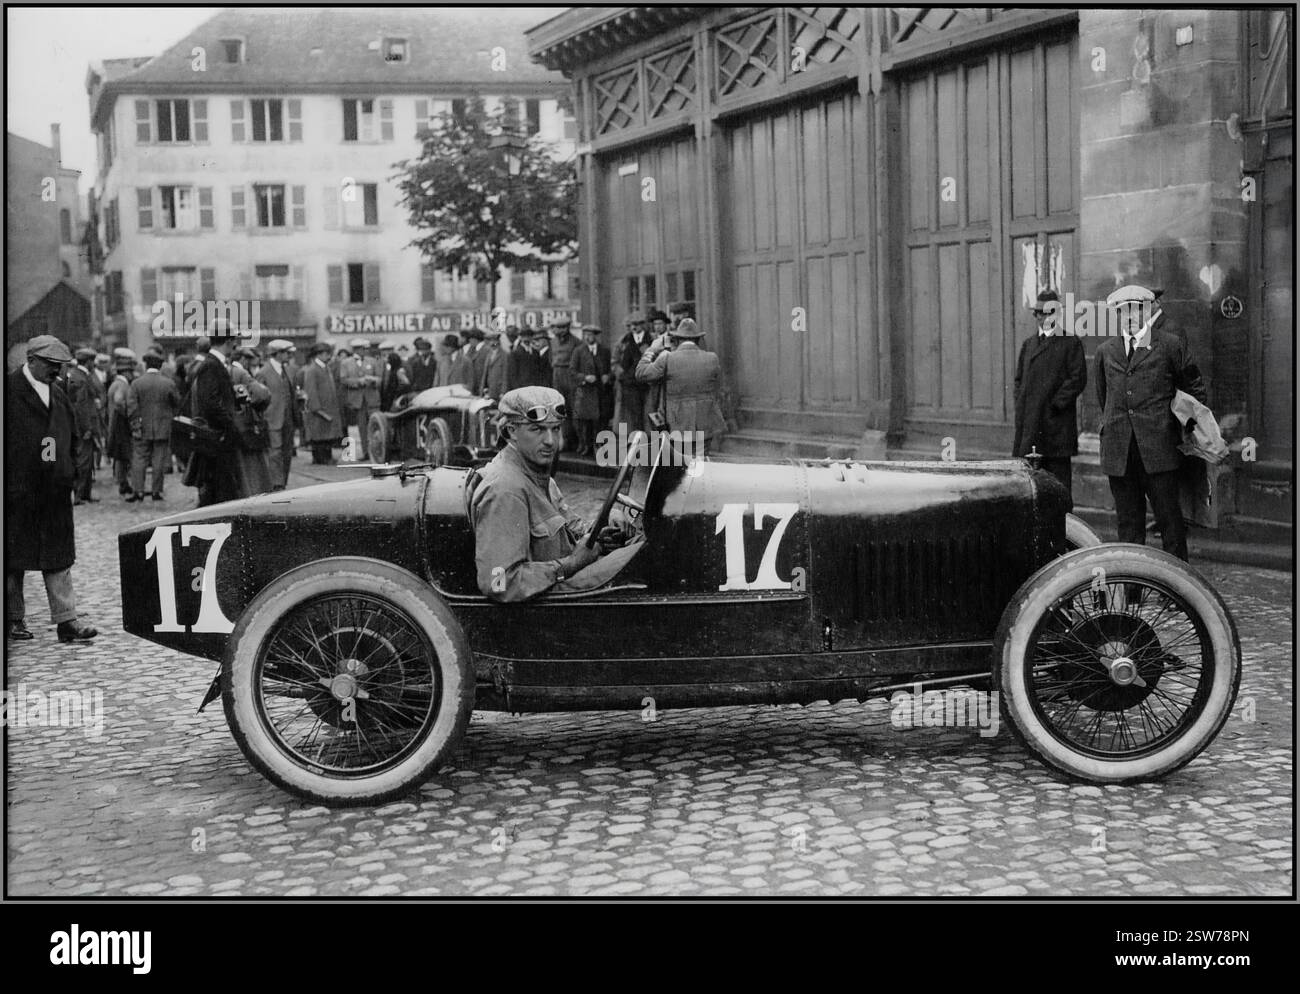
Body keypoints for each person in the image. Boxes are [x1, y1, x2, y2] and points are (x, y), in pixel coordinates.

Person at [469, 387, 635, 602]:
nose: (550, 440)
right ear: (511, 432)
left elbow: (569, 530)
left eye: (555, 429)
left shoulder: (538, 476)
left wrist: (598, 534)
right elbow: (498, 583)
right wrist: (570, 564)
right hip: (543, 606)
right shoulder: (506, 490)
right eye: (537, 429)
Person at [1095, 284, 1208, 561]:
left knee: (1170, 523)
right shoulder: (1106, 351)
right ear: (1117, 316)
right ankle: (1133, 591)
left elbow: (1193, 391)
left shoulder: (1169, 345)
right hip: (1121, 454)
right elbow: (1104, 396)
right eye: (1123, 312)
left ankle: (1178, 590)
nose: (1130, 317)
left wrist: (1177, 431)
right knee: (1129, 527)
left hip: (1160, 452)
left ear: (1148, 311)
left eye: (1136, 310)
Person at [6, 336, 98, 642]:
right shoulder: (10, 390)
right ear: (31, 361)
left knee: (59, 556)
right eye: (51, 366)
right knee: (12, 558)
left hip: (54, 490)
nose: (56, 372)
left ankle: (66, 621)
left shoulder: (58, 393)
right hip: (17, 490)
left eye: (59, 367)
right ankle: (12, 619)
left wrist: (69, 474)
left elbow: (70, 437)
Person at [1013, 289, 1087, 498]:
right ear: (1036, 316)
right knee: (1030, 487)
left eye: (1050, 313)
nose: (1045, 318)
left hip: (1056, 429)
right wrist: (1021, 405)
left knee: (1058, 487)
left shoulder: (1070, 342)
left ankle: (1062, 527)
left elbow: (1077, 379)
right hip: (1029, 427)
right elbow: (1019, 380)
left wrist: (1054, 405)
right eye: (1040, 313)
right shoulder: (1028, 345)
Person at [635, 318, 726, 455]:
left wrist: (652, 350)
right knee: (700, 463)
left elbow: (641, 373)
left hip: (677, 424)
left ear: (676, 339)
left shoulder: (667, 358)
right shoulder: (712, 358)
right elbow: (716, 385)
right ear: (697, 339)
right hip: (705, 423)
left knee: (680, 465)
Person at [187, 331, 244, 506]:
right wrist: (229, 425)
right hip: (218, 436)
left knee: (216, 488)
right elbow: (210, 402)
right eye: (234, 341)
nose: (235, 346)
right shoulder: (212, 365)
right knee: (220, 487)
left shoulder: (213, 363)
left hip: (217, 434)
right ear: (228, 341)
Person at [127, 351, 181, 502]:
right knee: (159, 460)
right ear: (160, 365)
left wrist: (136, 425)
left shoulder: (137, 383)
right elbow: (177, 402)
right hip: (163, 427)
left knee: (139, 459)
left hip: (142, 428)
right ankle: (157, 491)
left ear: (146, 365)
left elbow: (131, 407)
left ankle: (138, 491)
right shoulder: (168, 383)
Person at [257, 340, 299, 490]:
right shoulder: (263, 372)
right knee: (275, 452)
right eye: (287, 353)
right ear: (277, 353)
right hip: (272, 418)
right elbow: (258, 397)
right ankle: (276, 483)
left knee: (287, 451)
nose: (289, 356)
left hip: (287, 418)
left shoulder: (287, 370)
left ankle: (283, 482)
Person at [66, 347, 102, 504]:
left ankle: (85, 493)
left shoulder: (80, 375)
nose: (94, 365)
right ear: (88, 362)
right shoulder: (80, 378)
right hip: (83, 427)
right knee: (83, 461)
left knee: (87, 461)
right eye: (92, 362)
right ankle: (80, 494)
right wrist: (86, 427)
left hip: (85, 425)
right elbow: (80, 406)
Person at [572, 324, 612, 457]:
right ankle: (586, 445)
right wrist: (584, 378)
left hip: (602, 392)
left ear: (596, 336)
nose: (588, 337)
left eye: (591, 335)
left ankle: (599, 446)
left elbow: (611, 369)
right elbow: (572, 371)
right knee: (586, 421)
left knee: (601, 421)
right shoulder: (579, 351)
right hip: (586, 392)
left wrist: (608, 376)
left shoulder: (604, 351)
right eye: (586, 335)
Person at [303, 342, 343, 465]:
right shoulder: (312, 370)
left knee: (326, 435)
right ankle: (321, 458)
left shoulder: (326, 368)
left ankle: (325, 457)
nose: (329, 356)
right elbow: (311, 391)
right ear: (318, 355)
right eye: (326, 353)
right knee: (319, 436)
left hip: (328, 407)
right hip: (319, 409)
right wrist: (317, 408)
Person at [613, 310, 653, 436]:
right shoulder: (623, 341)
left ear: (643, 325)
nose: (634, 327)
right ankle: (633, 438)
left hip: (646, 384)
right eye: (631, 324)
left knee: (647, 412)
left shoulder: (652, 339)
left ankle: (647, 438)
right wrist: (620, 373)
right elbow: (615, 360)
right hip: (628, 384)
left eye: (637, 324)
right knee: (630, 414)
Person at [106, 348, 139, 499]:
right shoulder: (122, 385)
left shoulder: (115, 383)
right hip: (121, 425)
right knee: (124, 455)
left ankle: (122, 482)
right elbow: (119, 401)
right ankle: (123, 483)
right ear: (125, 372)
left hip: (114, 424)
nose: (132, 374)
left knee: (120, 456)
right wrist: (127, 414)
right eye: (130, 371)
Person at [548, 316, 579, 450]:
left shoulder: (576, 342)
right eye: (555, 327)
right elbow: (551, 359)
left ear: (566, 328)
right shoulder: (553, 342)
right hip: (557, 375)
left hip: (570, 375)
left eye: (560, 327)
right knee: (561, 409)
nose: (556, 330)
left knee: (573, 408)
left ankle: (577, 441)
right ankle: (566, 440)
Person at [480, 328, 508, 401]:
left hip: (498, 391)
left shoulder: (504, 355)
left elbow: (505, 375)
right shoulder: (488, 354)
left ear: (498, 341)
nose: (493, 343)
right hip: (489, 390)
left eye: (495, 341)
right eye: (491, 341)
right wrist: (483, 388)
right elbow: (485, 374)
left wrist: (503, 392)